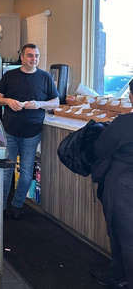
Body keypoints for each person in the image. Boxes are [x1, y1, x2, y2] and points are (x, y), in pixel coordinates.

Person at [0, 43, 59, 219]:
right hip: (10, 130)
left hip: (32, 132)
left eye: (36, 56)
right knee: (6, 171)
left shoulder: (45, 77)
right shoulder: (10, 76)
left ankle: (17, 205)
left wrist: (39, 104)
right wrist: (8, 101)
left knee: (26, 172)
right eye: (30, 55)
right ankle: (0, 207)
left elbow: (55, 102)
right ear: (22, 57)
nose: (34, 59)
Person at [90, 79, 133, 288]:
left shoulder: (124, 123)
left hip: (124, 181)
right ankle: (118, 275)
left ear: (131, 97)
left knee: (123, 234)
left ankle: (121, 277)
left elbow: (100, 148)